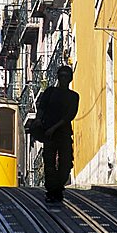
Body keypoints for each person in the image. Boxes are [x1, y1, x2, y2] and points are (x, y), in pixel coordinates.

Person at [35, 65, 79, 203]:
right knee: (49, 163)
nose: (64, 79)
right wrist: (38, 121)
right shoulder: (50, 92)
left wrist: (54, 128)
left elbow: (69, 116)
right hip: (48, 134)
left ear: (70, 78)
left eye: (66, 76)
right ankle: (52, 190)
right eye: (62, 76)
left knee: (66, 163)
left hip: (63, 133)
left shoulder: (73, 96)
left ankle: (58, 187)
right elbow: (41, 108)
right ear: (58, 78)